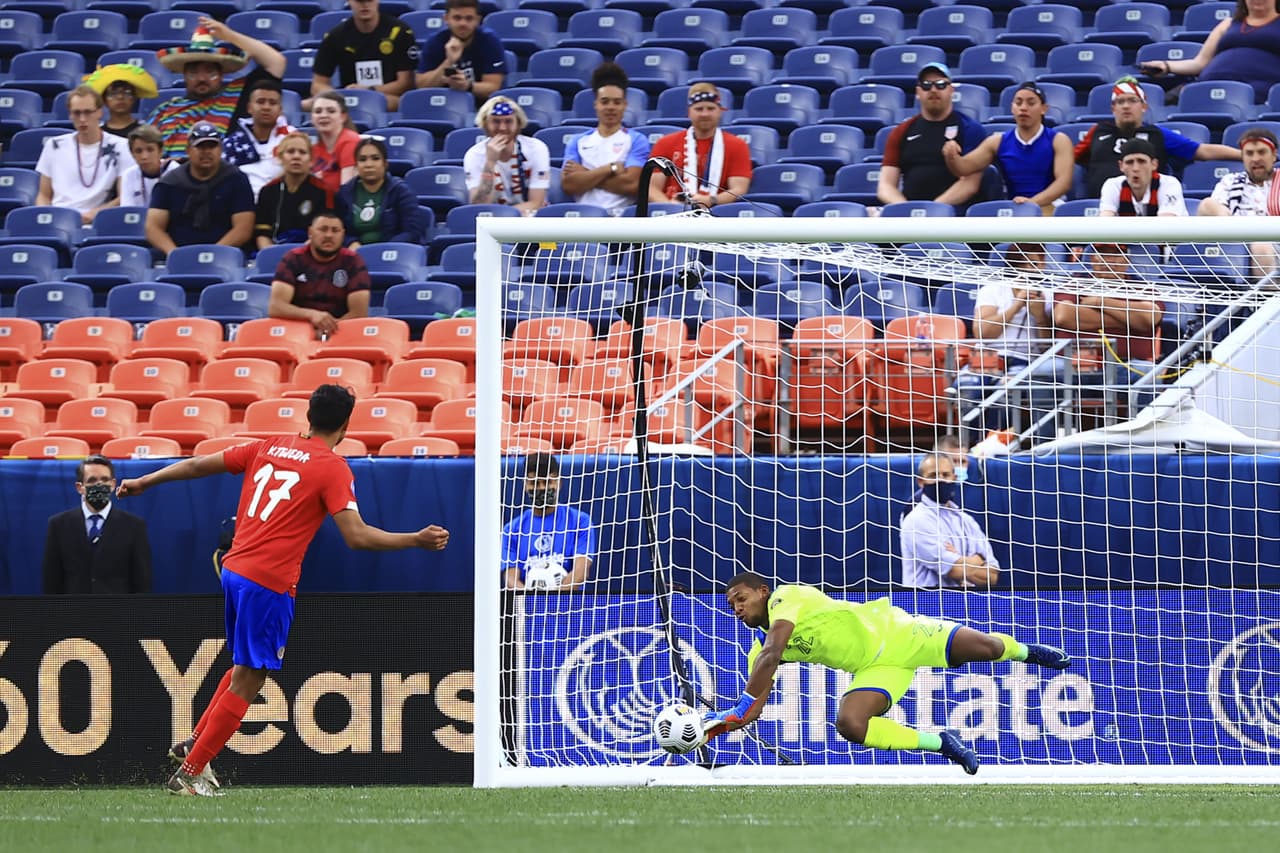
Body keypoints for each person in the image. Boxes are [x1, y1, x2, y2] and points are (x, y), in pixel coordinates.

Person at [115, 384, 450, 796]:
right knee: (253, 675)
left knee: (244, 666)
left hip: (235, 570)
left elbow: (199, 465)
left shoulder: (268, 446)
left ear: (308, 415)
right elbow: (357, 537)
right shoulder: (332, 468)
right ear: (346, 424)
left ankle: (195, 744)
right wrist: (414, 539)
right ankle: (190, 771)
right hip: (267, 581)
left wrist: (145, 481)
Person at [704, 571, 1070, 774]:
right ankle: (941, 743)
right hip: (875, 669)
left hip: (901, 634)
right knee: (850, 724)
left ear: (763, 591)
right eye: (730, 604)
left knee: (987, 649)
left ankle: (1026, 652)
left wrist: (740, 705)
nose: (736, 607)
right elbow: (750, 711)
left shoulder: (787, 598)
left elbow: (771, 654)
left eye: (742, 598)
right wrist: (711, 727)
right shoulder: (762, 649)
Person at [962, 242, 1061, 444]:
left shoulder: (1048, 295)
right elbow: (983, 333)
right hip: (988, 357)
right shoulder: (993, 290)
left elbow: (1048, 349)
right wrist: (1016, 306)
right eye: (1026, 262)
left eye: (1038, 261)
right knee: (967, 386)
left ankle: (993, 445)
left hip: (1026, 361)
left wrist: (1040, 316)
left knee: (1005, 388)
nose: (1032, 267)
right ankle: (968, 445)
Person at [1074, 77, 1240, 198]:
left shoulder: (1157, 134)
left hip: (1147, 208)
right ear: (1113, 108)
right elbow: (1069, 159)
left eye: (1132, 100)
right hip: (1100, 207)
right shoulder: (1098, 131)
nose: (1126, 106)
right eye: (1120, 101)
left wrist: (1242, 155)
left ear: (1144, 106)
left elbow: (1203, 151)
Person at [149, 19, 287, 157]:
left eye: (210, 72)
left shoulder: (237, 95)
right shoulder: (166, 110)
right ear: (184, 75)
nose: (202, 78)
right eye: (193, 72)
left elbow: (276, 62)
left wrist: (229, 36)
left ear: (221, 74)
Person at [1054, 243, 1164, 416]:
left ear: (1127, 260)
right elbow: (1064, 316)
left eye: (1115, 254)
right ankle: (1041, 441)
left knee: (1148, 373)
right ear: (1092, 259)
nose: (1109, 260)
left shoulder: (1141, 288)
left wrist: (1099, 302)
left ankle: (1145, 438)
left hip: (1124, 365)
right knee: (1039, 373)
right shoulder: (1075, 283)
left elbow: (1149, 317)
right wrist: (1126, 319)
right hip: (1072, 364)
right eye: (1102, 254)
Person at [942, 82, 1073, 216]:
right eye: (1018, 102)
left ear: (1043, 108)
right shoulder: (997, 142)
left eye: (1031, 103)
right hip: (1014, 210)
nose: (1023, 108)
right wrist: (952, 157)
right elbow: (963, 168)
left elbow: (1063, 183)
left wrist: (1031, 203)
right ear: (1012, 108)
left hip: (1050, 207)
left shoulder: (1058, 140)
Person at [877, 62, 987, 209]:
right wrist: (905, 209)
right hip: (911, 217)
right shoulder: (901, 131)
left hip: (954, 215)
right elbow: (885, 185)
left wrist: (933, 210)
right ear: (918, 92)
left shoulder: (970, 129)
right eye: (926, 85)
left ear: (951, 90)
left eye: (941, 84)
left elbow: (969, 183)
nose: (933, 90)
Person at [42, 455, 152, 595]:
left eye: (104, 480)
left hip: (118, 614)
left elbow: (142, 583)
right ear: (79, 487)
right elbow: (51, 581)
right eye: (92, 480)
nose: (99, 485)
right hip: (73, 613)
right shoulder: (58, 525)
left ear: (113, 484)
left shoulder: (134, 526)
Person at [146, 120, 255, 256]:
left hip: (225, 255)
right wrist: (174, 253)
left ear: (221, 149)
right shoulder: (169, 183)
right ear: (188, 150)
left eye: (212, 146)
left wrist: (212, 254)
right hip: (180, 255)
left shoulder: (237, 180)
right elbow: (153, 228)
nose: (207, 152)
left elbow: (243, 229)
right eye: (200, 146)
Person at [1140, 0, 1280, 102]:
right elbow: (1200, 62)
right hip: (1209, 84)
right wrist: (1167, 66)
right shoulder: (1228, 23)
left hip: (1256, 90)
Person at [35, 85, 136, 224]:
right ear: (70, 114)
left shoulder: (121, 146)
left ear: (99, 112)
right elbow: (43, 194)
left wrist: (96, 213)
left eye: (88, 112)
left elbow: (125, 195)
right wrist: (47, 217)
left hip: (99, 220)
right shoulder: (54, 145)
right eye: (77, 113)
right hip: (58, 218)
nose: (82, 119)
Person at [561, 62, 651, 216]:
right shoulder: (578, 141)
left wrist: (586, 174)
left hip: (621, 219)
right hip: (583, 217)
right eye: (605, 101)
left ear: (624, 105)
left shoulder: (636, 140)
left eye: (616, 102)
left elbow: (632, 185)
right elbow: (569, 184)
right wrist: (610, 169)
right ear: (596, 104)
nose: (610, 107)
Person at [899, 453, 999, 589]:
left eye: (945, 475)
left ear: (954, 478)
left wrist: (957, 558)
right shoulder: (916, 520)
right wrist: (977, 560)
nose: (940, 480)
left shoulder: (966, 520)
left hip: (967, 604)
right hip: (924, 604)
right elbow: (953, 571)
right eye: (933, 475)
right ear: (921, 482)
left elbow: (992, 576)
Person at [646, 83, 753, 209]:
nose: (705, 114)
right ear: (689, 112)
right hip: (674, 215)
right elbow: (652, 187)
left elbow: (739, 189)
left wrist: (711, 200)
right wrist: (670, 208)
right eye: (699, 109)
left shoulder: (737, 145)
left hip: (717, 214)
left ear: (720, 111)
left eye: (710, 108)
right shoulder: (665, 143)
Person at [268, 210, 371, 336]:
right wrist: (312, 315)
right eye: (323, 229)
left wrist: (328, 329)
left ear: (343, 235)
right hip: (297, 331)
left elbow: (359, 312)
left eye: (335, 231)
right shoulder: (293, 258)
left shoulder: (353, 260)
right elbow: (276, 306)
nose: (329, 235)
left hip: (341, 332)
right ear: (310, 232)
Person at [500, 453, 594, 590]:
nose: (542, 488)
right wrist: (532, 601)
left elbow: (581, 571)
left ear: (559, 483)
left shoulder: (580, 521)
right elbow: (510, 578)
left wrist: (552, 600)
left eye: (547, 481)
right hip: (527, 608)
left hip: (569, 605)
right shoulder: (512, 529)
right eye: (535, 483)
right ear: (525, 485)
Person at [1197, 127, 1280, 279]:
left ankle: (1270, 298)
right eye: (1249, 153)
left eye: (1262, 152)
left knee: (1261, 246)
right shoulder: (1231, 181)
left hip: (1275, 243)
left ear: (1274, 155)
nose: (1255, 159)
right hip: (1236, 241)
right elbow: (1210, 209)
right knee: (1207, 204)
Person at [311, 0, 417, 112]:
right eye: (359, 1)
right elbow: (318, 84)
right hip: (347, 99)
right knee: (307, 104)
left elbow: (406, 83)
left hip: (386, 96)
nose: (365, 5)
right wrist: (340, 96)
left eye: (369, 0)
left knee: (398, 103)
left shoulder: (400, 32)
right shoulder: (336, 35)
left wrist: (369, 90)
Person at [338, 135, 430, 247]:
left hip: (393, 253)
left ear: (385, 164)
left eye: (375, 158)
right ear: (356, 166)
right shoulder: (344, 193)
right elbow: (338, 229)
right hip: (355, 255)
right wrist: (351, 242)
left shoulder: (401, 191)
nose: (369, 165)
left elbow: (412, 232)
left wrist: (384, 249)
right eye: (362, 159)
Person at [464, 95, 550, 214]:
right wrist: (490, 163)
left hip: (528, 218)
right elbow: (480, 206)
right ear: (485, 124)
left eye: (508, 121)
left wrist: (503, 214)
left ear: (518, 124)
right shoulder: (474, 154)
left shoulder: (536, 148)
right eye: (496, 121)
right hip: (491, 221)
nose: (502, 128)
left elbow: (536, 203)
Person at [255, 131, 341, 249]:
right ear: (280, 157)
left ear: (311, 160)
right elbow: (262, 234)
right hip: (275, 251)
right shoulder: (267, 191)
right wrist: (270, 254)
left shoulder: (325, 191)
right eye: (290, 152)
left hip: (312, 251)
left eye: (302, 152)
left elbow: (325, 232)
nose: (296, 156)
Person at [414, 0, 506, 104]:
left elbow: (493, 87)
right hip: (441, 102)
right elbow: (421, 86)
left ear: (478, 20)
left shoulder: (489, 41)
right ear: (446, 19)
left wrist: (467, 85)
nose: (463, 23)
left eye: (469, 18)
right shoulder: (435, 42)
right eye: (457, 18)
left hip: (481, 105)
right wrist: (449, 61)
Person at [221, 79, 296, 199]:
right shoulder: (232, 143)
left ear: (280, 109)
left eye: (272, 103)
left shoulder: (293, 138)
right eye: (261, 102)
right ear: (249, 107)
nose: (266, 107)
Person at [1099, 138, 1189, 217]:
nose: (1135, 168)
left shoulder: (1169, 184)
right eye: (1129, 162)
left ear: (1154, 164)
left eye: (1141, 161)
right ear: (1121, 166)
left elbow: (1166, 226)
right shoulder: (1112, 185)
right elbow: (1105, 222)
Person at [83, 63, 159, 140]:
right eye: (113, 94)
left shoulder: (147, 131)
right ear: (104, 100)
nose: (120, 97)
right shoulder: (96, 133)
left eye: (126, 92)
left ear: (134, 98)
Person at [310, 91, 361, 195]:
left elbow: (347, 190)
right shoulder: (314, 148)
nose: (323, 115)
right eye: (318, 111)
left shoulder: (350, 141)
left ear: (343, 117)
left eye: (331, 111)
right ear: (312, 118)